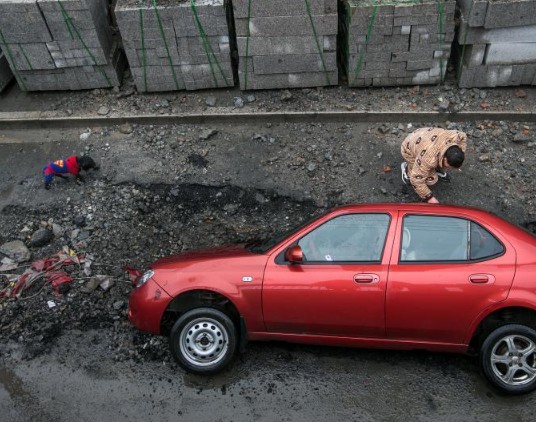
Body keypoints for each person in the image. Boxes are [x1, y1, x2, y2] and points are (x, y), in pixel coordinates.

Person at [400, 127, 467, 203]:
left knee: (431, 167)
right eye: (450, 166)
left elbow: (463, 136)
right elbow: (416, 180)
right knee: (431, 179)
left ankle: (435, 168)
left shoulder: (456, 136)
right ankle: (407, 170)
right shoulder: (428, 159)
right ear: (444, 159)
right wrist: (429, 197)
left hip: (423, 135)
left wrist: (459, 160)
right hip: (408, 149)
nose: (451, 168)